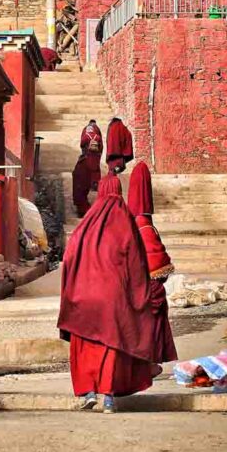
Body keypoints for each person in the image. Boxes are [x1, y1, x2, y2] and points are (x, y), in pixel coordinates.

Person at [58, 174, 157, 413]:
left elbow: (68, 259)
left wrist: (70, 294)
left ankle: (88, 392)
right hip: (113, 300)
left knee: (86, 345)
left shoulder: (85, 225)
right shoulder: (124, 222)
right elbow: (136, 264)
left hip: (82, 299)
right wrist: (141, 295)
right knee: (111, 346)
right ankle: (109, 397)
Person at [127, 162, 177, 370]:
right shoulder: (145, 227)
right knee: (150, 326)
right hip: (150, 285)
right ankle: (149, 362)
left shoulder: (131, 225)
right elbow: (157, 260)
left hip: (137, 286)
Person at [71, 119, 103, 217]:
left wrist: (84, 151)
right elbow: (101, 146)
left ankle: (81, 209)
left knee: (81, 183)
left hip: (87, 156)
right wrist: (99, 154)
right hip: (95, 157)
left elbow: (82, 143)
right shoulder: (97, 134)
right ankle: (95, 184)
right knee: (94, 172)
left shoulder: (85, 133)